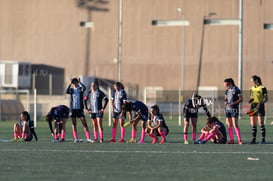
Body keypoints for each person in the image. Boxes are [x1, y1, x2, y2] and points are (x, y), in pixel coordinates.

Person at [66, 78, 92, 143]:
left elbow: (84, 88)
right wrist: (70, 84)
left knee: (84, 123)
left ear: (77, 82)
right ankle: (76, 138)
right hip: (73, 109)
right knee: (74, 124)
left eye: (76, 82)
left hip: (80, 109)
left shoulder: (80, 89)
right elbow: (67, 91)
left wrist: (80, 83)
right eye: (73, 83)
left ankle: (88, 138)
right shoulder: (71, 90)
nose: (75, 84)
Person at [248, 75, 268, 144]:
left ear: (256, 80)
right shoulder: (252, 88)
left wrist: (261, 103)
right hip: (253, 107)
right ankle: (253, 140)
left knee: (261, 123)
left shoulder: (262, 88)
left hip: (260, 106)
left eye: (252, 81)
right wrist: (250, 101)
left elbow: (266, 98)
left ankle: (263, 140)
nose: (252, 83)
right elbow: (252, 98)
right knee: (253, 123)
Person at [224, 78, 243, 144]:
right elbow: (226, 99)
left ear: (230, 83)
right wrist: (226, 102)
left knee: (235, 124)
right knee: (229, 124)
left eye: (226, 84)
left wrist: (233, 103)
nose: (225, 86)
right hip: (227, 109)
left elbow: (240, 99)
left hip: (234, 109)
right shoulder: (227, 91)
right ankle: (232, 140)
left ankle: (239, 140)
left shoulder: (237, 90)